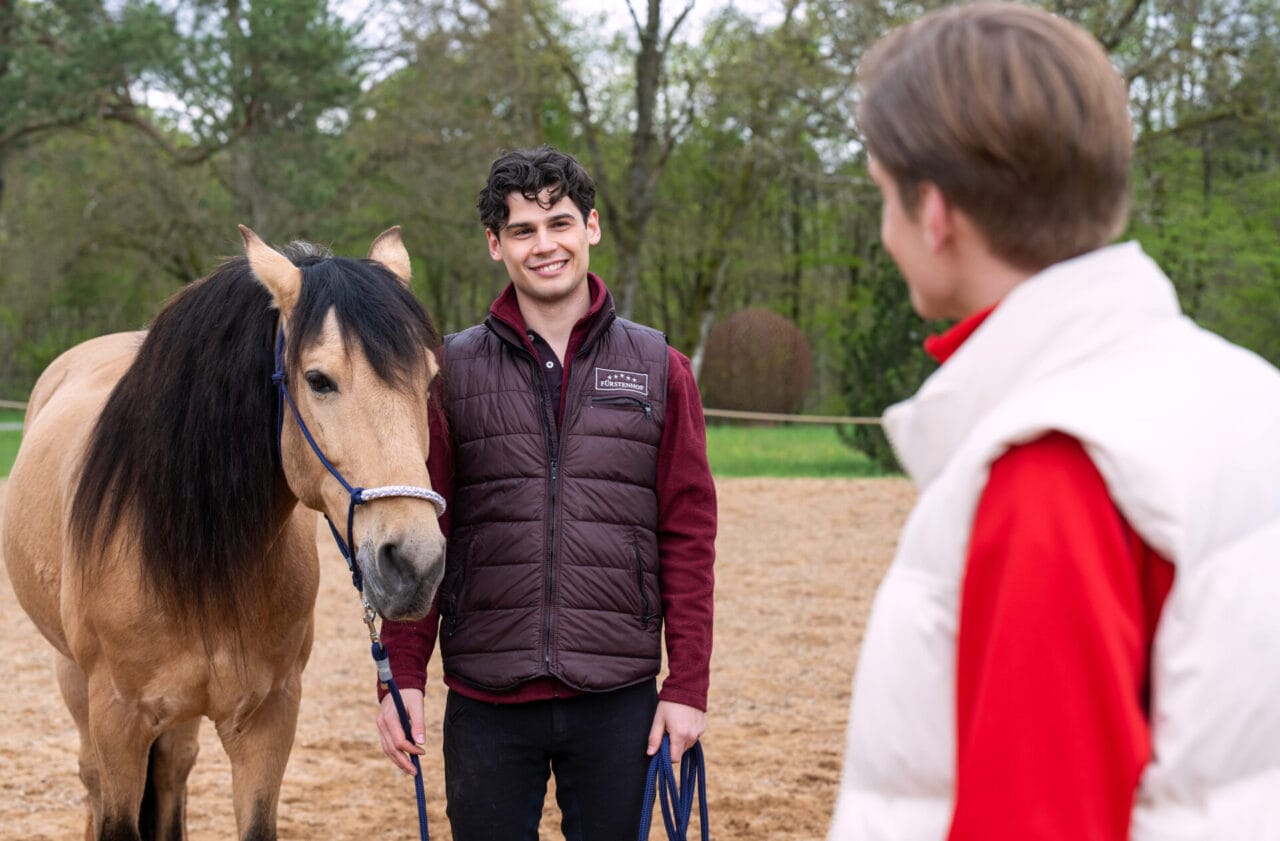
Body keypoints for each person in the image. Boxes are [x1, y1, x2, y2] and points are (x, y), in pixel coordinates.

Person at [829, 4, 1280, 841]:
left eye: (883, 197)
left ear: (933, 212)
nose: (887, 232)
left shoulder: (1055, 462)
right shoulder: (1250, 395)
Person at [374, 145, 717, 840]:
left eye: (559, 222)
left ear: (591, 227)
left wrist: (686, 685)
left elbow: (687, 534)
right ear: (495, 245)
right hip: (486, 695)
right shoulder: (451, 371)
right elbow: (421, 527)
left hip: (617, 692)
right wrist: (402, 674)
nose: (545, 245)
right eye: (523, 231)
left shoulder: (661, 368)